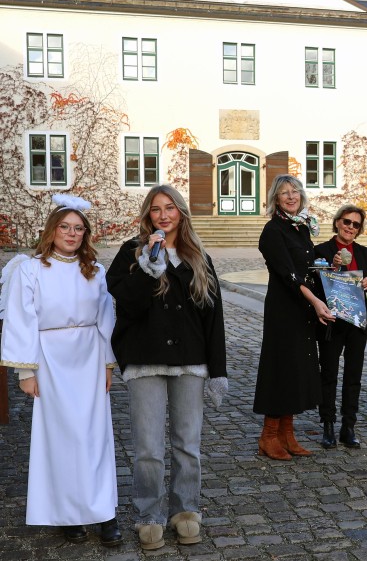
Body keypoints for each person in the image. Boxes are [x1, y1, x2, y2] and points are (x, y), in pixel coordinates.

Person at [107, 185, 227, 550]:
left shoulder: (198, 256)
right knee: (147, 448)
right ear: (147, 215)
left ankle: (186, 511)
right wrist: (147, 268)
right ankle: (149, 515)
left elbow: (213, 317)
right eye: (156, 209)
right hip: (145, 361)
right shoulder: (132, 252)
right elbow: (124, 305)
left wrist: (217, 369)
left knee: (187, 445)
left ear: (181, 212)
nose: (163, 215)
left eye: (170, 208)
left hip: (191, 362)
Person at [0, 194, 121, 547]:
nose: (72, 234)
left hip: (88, 358)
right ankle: (69, 514)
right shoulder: (30, 269)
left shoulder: (95, 271)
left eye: (79, 229)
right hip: (50, 360)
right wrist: (26, 371)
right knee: (62, 438)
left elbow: (105, 321)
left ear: (86, 235)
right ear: (52, 230)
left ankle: (104, 513)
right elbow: (22, 319)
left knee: (96, 437)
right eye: (65, 227)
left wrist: (107, 363)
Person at [253, 175, 334, 460]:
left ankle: (287, 433)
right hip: (283, 309)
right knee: (280, 369)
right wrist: (314, 301)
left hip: (301, 309)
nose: (291, 196)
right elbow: (288, 274)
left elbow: (307, 269)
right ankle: (269, 435)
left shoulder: (300, 229)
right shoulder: (273, 231)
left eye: (295, 192)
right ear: (275, 198)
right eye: (284, 193)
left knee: (297, 369)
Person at [314, 205, 367, 449]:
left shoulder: (364, 253)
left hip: (357, 322)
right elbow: (315, 284)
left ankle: (348, 426)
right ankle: (328, 425)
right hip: (332, 322)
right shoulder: (322, 251)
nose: (351, 227)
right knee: (328, 374)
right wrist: (332, 266)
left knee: (354, 376)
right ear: (338, 222)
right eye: (347, 222)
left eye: (356, 224)